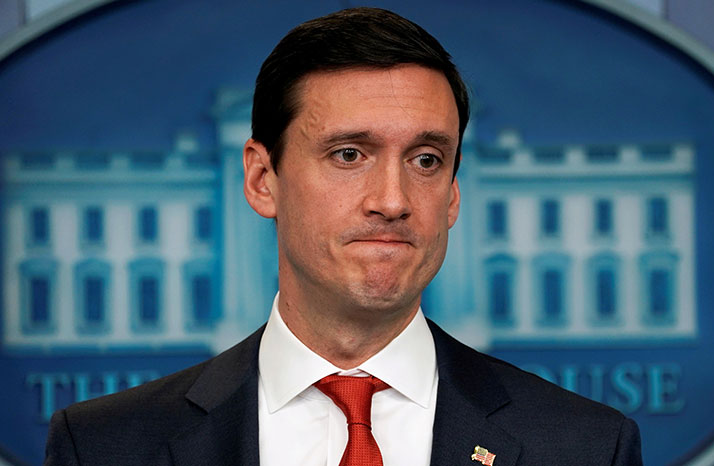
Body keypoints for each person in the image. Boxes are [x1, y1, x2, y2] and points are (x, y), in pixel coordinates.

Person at [44, 7, 643, 466]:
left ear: (455, 194)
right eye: (349, 153)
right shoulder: (102, 446)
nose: (392, 200)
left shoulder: (587, 446)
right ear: (261, 179)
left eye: (427, 160)